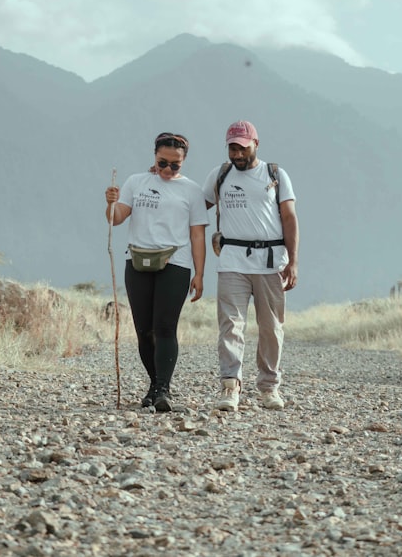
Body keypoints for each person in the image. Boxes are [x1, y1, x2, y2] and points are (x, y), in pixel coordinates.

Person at [105, 132, 208, 412]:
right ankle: (155, 385)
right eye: (163, 163)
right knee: (143, 331)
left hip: (176, 262)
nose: (167, 170)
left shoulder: (191, 190)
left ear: (184, 162)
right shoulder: (136, 182)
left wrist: (199, 273)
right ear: (154, 156)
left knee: (164, 327)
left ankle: (163, 388)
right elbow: (116, 219)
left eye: (175, 165)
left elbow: (197, 235)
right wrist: (110, 202)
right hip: (137, 260)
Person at [203, 121, 299, 411]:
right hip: (232, 260)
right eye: (232, 148)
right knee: (231, 325)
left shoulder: (276, 175)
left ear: (256, 144)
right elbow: (195, 204)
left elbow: (290, 218)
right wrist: (163, 180)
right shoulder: (220, 176)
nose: (237, 154)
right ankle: (230, 386)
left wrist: (293, 261)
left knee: (271, 327)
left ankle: (269, 387)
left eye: (243, 148)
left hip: (270, 263)